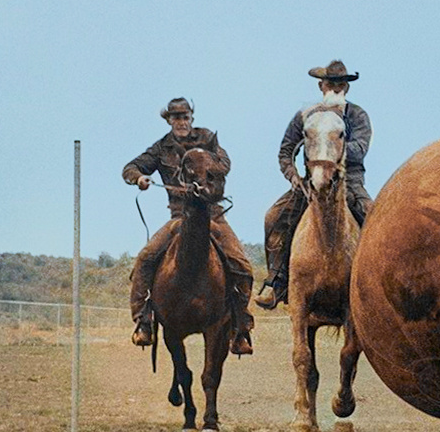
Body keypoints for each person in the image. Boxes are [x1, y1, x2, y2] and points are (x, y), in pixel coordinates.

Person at [122, 97, 255, 354]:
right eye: (176, 118)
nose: (181, 122)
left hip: (213, 215)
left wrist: (205, 163)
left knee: (242, 265)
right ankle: (143, 321)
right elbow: (130, 167)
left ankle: (240, 326)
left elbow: (225, 164)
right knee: (145, 259)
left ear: (191, 118)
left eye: (185, 117)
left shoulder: (207, 139)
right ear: (169, 120)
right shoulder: (161, 148)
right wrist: (139, 178)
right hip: (179, 217)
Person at [255, 60, 373, 309]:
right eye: (331, 84)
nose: (336, 89)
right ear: (321, 86)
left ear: (347, 89)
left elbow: (360, 149)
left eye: (341, 85)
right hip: (310, 183)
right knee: (274, 217)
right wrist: (294, 177)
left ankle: (378, 285)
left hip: (349, 182)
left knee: (374, 219)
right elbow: (286, 151)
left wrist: (330, 149)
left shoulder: (358, 116)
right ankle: (277, 281)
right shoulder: (305, 116)